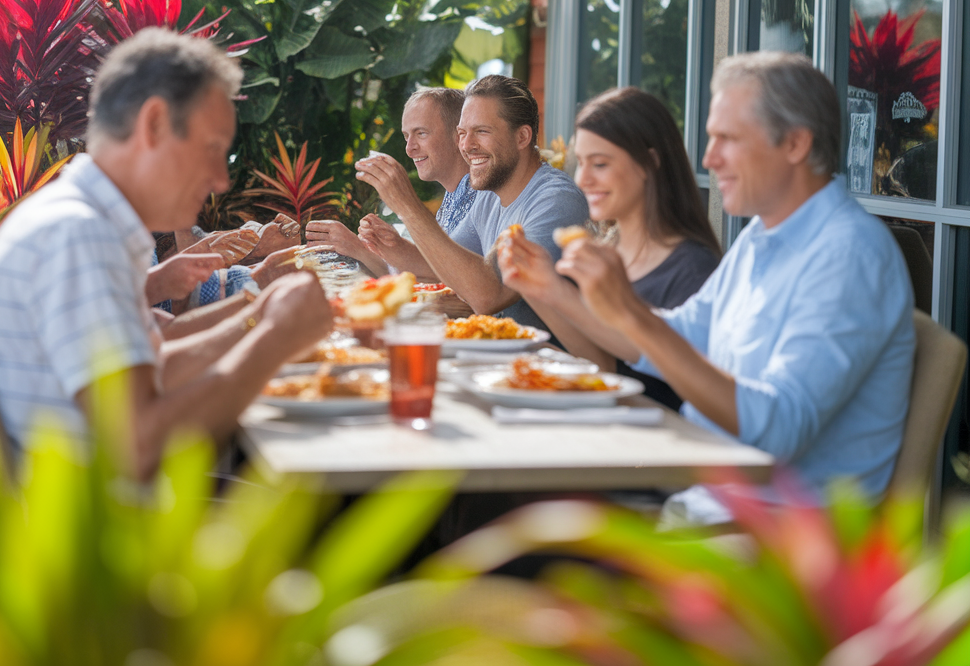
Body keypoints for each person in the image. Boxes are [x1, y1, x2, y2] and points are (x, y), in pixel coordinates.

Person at [521, 53, 915, 522]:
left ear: (794, 143)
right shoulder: (762, 237)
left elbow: (778, 430)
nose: (708, 158)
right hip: (707, 508)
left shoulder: (848, 254)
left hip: (775, 545)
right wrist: (576, 296)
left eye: (726, 139)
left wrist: (630, 312)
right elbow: (673, 337)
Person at [0, 29, 332, 479]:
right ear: (154, 124)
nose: (221, 179)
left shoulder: (84, 222)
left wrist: (260, 312)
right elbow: (139, 449)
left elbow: (157, 365)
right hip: (105, 535)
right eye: (213, 149)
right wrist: (275, 335)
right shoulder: (78, 234)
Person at [499, 87, 721, 408]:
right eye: (582, 163)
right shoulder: (607, 249)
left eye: (600, 164)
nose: (582, 179)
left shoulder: (693, 269)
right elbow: (600, 365)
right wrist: (538, 289)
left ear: (650, 163)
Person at [356, 74, 589, 330]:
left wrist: (407, 207)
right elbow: (447, 268)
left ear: (522, 137)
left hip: (548, 364)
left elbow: (490, 297)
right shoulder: (490, 194)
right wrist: (391, 246)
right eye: (462, 133)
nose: (466, 146)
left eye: (481, 131)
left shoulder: (555, 200)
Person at [306, 87, 475, 278]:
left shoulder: (485, 197)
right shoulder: (454, 195)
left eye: (421, 133)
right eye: (406, 136)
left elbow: (468, 284)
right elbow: (431, 276)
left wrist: (404, 203)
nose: (409, 149)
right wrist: (362, 248)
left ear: (459, 135)